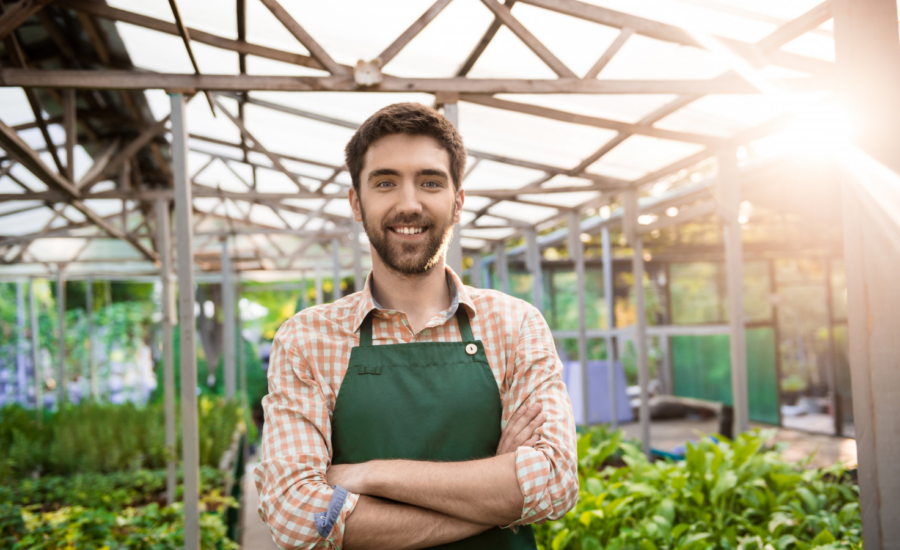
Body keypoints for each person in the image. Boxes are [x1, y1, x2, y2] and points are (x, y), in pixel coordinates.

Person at [255, 103, 577, 550]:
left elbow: (556, 483)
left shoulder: (516, 325)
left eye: (430, 182)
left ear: (458, 201)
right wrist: (497, 498)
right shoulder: (306, 339)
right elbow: (296, 516)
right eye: (385, 182)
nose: (409, 204)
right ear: (356, 201)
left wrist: (366, 475)